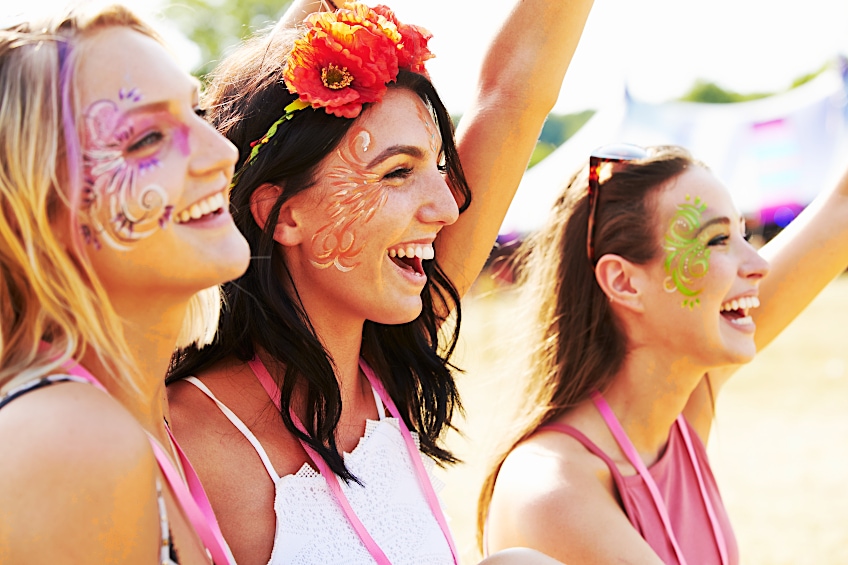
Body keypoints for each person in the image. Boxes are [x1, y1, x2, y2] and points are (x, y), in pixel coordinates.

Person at [166, 0, 593, 563]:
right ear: (282, 213)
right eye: (397, 172)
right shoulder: (174, 436)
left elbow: (514, 94)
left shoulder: (385, 365)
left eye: (441, 165)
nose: (447, 206)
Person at [478, 143, 848, 563]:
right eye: (718, 239)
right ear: (624, 281)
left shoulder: (681, 403)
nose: (757, 264)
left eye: (743, 235)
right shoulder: (551, 487)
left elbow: (842, 207)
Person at [0, 5, 251, 563]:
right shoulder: (66, 440)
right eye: (146, 139)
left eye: (199, 111)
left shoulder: (146, 418)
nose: (222, 153)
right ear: (35, 210)